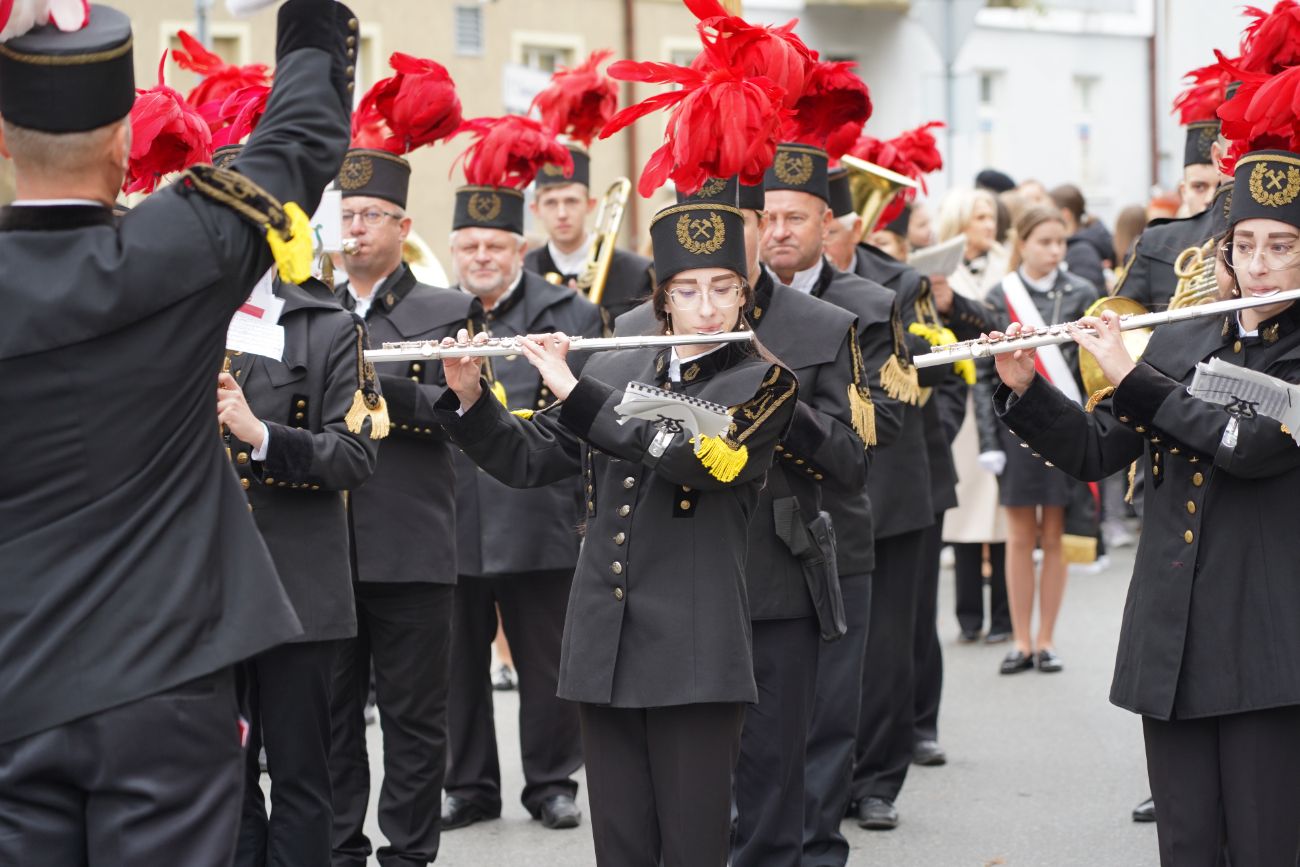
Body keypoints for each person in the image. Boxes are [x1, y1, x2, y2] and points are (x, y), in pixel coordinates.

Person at [0, 2, 354, 864]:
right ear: (126, 140)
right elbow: (301, 135)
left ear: (5, 139)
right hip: (169, 677)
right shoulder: (185, 240)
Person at [439, 201, 799, 867]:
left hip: (695, 650)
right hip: (604, 643)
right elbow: (526, 458)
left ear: (746, 294)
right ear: (663, 299)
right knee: (621, 848)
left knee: (692, 847)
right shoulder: (614, 370)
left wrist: (577, 391)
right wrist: (470, 398)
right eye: (688, 290)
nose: (708, 306)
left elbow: (699, 457)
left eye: (724, 288)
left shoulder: (765, 382)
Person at [991, 147, 1300, 867]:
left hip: (1267, 640)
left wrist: (1134, 376)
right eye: (1244, 245)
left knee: (1264, 844)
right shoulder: (1185, 334)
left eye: (1281, 247)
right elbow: (1100, 450)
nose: (1258, 264)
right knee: (1185, 844)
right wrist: (1025, 388)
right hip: (1175, 636)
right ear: (1223, 252)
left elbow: (1249, 446)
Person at [441, 121, 601, 834]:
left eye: (495, 246)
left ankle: (551, 782)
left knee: (547, 662)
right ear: (453, 251)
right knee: (454, 665)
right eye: (469, 246)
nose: (482, 256)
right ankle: (468, 784)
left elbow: (579, 422)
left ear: (519, 248)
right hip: (450, 512)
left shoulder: (571, 313)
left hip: (540, 511)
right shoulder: (430, 314)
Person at [328, 147, 480, 867]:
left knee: (414, 721)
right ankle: (340, 848)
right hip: (323, 544)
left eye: (370, 216)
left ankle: (410, 855)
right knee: (331, 720)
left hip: (411, 546)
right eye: (346, 215)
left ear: (403, 224)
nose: (356, 228)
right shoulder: (312, 306)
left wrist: (363, 391)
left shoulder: (447, 309)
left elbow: (459, 411)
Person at [221, 253, 382, 866]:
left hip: (297, 586)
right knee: (220, 777)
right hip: (203, 584)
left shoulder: (331, 325)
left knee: (300, 775)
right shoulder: (181, 312)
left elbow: (355, 456)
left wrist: (260, 434)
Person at [975, 205, 1099, 675]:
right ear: (1022, 242)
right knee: (1019, 536)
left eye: (1061, 242)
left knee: (1055, 534)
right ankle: (1020, 640)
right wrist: (989, 439)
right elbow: (983, 376)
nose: (1054, 251)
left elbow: (1090, 370)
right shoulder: (999, 294)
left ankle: (1046, 639)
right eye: (1045, 241)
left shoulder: (1084, 292)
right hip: (1016, 428)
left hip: (1065, 424)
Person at [525, 143, 654, 322]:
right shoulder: (524, 270)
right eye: (551, 203)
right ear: (535, 209)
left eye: (571, 201)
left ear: (590, 205)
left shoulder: (636, 272)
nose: (562, 214)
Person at [938, 186, 1009, 302]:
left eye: (992, 218)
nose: (990, 226)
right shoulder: (938, 269)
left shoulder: (1008, 263)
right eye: (981, 218)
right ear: (959, 224)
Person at [1049, 183, 1112, 294]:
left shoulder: (1082, 251)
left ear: (1065, 214)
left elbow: (1088, 296)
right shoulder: (1075, 244)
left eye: (1050, 210)